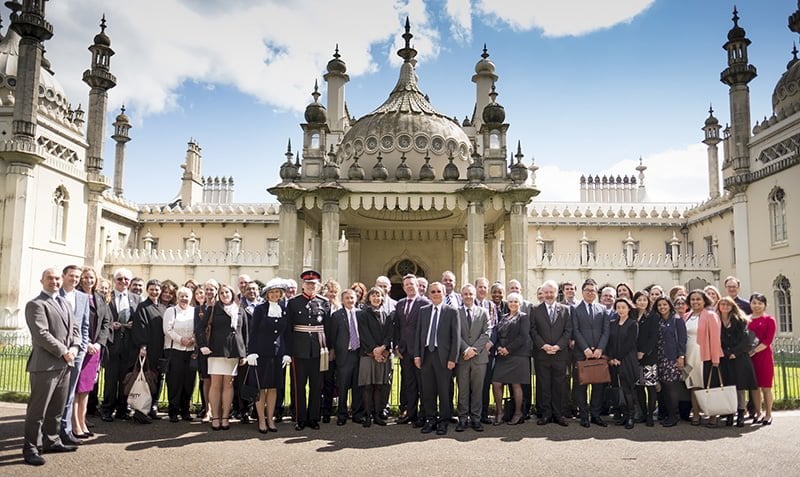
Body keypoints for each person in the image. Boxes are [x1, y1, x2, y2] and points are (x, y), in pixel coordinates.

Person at [22, 268, 81, 466]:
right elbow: (41, 334)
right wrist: (65, 350)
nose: (54, 282)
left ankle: (52, 441)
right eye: (50, 278)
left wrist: (74, 347)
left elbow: (75, 329)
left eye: (57, 278)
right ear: (42, 280)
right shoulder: (35, 305)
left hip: (65, 364)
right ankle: (31, 448)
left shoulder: (64, 302)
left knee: (56, 409)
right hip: (45, 366)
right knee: (37, 411)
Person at [197, 284, 247, 431]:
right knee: (215, 384)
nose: (225, 295)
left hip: (233, 353)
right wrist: (202, 345)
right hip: (216, 351)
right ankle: (215, 417)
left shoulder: (240, 311)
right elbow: (200, 328)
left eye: (227, 292)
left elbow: (244, 333)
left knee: (228, 385)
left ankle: (225, 416)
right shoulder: (212, 309)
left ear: (232, 294)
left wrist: (244, 353)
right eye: (222, 293)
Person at [287, 270, 331, 430]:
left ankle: (313, 418)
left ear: (318, 286)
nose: (311, 286)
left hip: (318, 350)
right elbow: (289, 329)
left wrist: (329, 349)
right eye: (308, 284)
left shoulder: (324, 303)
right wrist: (289, 351)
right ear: (303, 285)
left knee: (316, 385)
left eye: (313, 284)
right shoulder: (293, 303)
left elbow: (328, 328)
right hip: (299, 350)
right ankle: (300, 418)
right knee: (299, 386)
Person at [414, 281, 459, 435]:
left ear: (444, 293)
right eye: (432, 292)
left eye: (438, 291)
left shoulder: (452, 311)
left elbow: (456, 338)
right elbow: (419, 335)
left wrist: (453, 358)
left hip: (444, 357)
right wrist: (417, 355)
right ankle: (430, 418)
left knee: (444, 390)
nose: (435, 294)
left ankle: (443, 421)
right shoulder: (423, 311)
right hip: (427, 355)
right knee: (428, 390)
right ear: (429, 294)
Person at [247, 278, 291, 433]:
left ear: (281, 294)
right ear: (267, 294)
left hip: (277, 354)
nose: (274, 295)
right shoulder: (260, 309)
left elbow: (286, 334)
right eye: (272, 292)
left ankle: (270, 418)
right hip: (261, 354)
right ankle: (261, 420)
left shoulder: (284, 309)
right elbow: (253, 333)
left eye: (277, 292)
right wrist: (251, 352)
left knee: (273, 388)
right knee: (261, 388)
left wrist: (286, 352)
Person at [72, 267, 111, 439]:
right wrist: (85, 342)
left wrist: (98, 343)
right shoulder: (76, 296)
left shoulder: (100, 298)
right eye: (85, 277)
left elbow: (106, 322)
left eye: (92, 278)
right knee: (75, 388)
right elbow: (73, 323)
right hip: (80, 347)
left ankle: (83, 421)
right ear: (80, 279)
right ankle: (74, 425)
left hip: (95, 348)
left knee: (86, 388)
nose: (89, 281)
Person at [100, 268, 141, 422]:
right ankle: (107, 409)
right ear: (114, 280)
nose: (123, 282)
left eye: (126, 279)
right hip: (112, 344)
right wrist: (111, 324)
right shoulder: (106, 297)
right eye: (120, 279)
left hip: (129, 345)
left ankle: (122, 409)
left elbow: (140, 321)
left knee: (125, 379)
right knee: (110, 379)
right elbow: (101, 318)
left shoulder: (136, 299)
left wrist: (133, 325)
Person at [530, 280, 572, 427]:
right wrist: (544, 345)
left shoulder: (566, 310)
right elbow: (533, 331)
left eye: (551, 292)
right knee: (544, 385)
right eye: (546, 292)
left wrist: (558, 346)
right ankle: (546, 414)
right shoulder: (535, 310)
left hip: (560, 355)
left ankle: (558, 414)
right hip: (542, 354)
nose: (548, 295)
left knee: (559, 385)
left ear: (556, 293)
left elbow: (568, 331)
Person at [58, 265, 90, 446]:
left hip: (77, 352)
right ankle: (49, 431)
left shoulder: (83, 297)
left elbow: (84, 326)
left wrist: (81, 348)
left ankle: (66, 430)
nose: (75, 279)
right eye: (71, 276)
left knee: (70, 393)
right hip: (58, 353)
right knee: (55, 394)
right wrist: (62, 350)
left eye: (77, 276)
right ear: (64, 276)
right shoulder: (56, 295)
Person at [572, 279, 610, 428]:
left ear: (596, 292)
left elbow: (606, 331)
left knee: (598, 386)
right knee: (581, 386)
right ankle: (583, 416)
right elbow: (575, 330)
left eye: (593, 290)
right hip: (582, 353)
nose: (590, 292)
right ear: (582, 292)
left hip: (599, 354)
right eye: (587, 290)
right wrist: (586, 349)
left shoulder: (602, 309)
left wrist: (600, 349)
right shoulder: (575, 309)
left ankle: (595, 415)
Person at [683, 289, 723, 426]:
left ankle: (712, 415)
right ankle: (695, 413)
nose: (695, 302)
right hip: (689, 354)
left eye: (698, 299)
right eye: (692, 299)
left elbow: (715, 338)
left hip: (705, 354)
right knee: (693, 384)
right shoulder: (686, 316)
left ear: (704, 300)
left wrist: (715, 358)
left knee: (709, 385)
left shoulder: (710, 315)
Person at [394, 274, 429, 427]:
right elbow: (398, 327)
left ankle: (424, 415)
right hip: (404, 351)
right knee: (409, 384)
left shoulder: (425, 303)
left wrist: (420, 352)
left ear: (417, 286)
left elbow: (425, 330)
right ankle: (411, 414)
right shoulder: (400, 304)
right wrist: (396, 346)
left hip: (419, 352)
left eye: (412, 284)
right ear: (403, 287)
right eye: (406, 284)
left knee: (423, 384)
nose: (409, 286)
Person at [490, 292, 530, 426]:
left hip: (517, 355)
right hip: (502, 355)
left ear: (520, 304)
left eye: (516, 302)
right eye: (511, 301)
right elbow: (497, 334)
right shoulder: (503, 317)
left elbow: (523, 337)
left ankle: (518, 413)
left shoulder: (523, 317)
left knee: (516, 384)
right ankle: (500, 412)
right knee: (496, 383)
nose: (513, 304)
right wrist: (498, 348)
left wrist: (508, 349)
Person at [717, 297, 758, 427]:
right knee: (728, 386)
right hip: (725, 357)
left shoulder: (740, 320)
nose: (725, 306)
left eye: (728, 304)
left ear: (732, 306)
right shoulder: (716, 321)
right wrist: (725, 352)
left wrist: (735, 352)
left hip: (739, 357)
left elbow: (746, 340)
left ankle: (740, 414)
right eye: (722, 304)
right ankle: (730, 413)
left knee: (740, 387)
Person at [455, 284, 490, 432]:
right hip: (462, 357)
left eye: (471, 294)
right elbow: (455, 334)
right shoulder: (455, 312)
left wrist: (474, 349)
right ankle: (462, 418)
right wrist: (466, 349)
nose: (468, 296)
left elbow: (487, 332)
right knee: (462, 389)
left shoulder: (483, 312)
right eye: (465, 294)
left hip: (479, 358)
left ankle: (476, 418)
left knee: (477, 389)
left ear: (475, 295)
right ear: (461, 296)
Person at [328, 288, 365, 426]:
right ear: (342, 300)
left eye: (352, 298)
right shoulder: (337, 316)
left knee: (358, 386)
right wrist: (333, 350)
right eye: (347, 298)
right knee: (343, 386)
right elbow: (332, 335)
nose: (350, 300)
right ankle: (342, 415)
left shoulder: (361, 314)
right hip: (344, 355)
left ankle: (357, 414)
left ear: (356, 299)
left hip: (359, 354)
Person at [132, 279, 167, 422]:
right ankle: (140, 412)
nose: (154, 292)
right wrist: (143, 346)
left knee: (157, 379)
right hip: (148, 349)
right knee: (145, 380)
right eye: (152, 289)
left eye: (157, 289)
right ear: (147, 290)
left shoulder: (163, 307)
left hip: (160, 349)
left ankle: (152, 407)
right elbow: (140, 327)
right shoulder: (143, 306)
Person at [357, 287, 393, 427]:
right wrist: (374, 351)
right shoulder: (362, 314)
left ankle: (377, 415)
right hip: (368, 354)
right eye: (373, 295)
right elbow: (364, 334)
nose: (376, 298)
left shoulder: (386, 314)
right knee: (367, 386)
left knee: (379, 386)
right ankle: (367, 416)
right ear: (369, 298)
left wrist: (383, 348)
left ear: (382, 298)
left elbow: (389, 334)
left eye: (379, 295)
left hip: (382, 355)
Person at [162, 287, 197, 423]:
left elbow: (199, 328)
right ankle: (173, 411)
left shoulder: (194, 311)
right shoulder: (171, 311)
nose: (184, 299)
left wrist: (193, 339)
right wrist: (181, 340)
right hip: (175, 350)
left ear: (191, 298)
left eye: (187, 296)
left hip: (190, 352)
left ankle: (185, 411)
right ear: (177, 297)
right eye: (181, 296)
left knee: (188, 382)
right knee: (174, 382)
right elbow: (167, 329)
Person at [653, 297, 686, 427]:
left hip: (672, 357)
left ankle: (673, 416)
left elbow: (682, 339)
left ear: (669, 305)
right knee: (664, 388)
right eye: (659, 305)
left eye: (664, 304)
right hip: (660, 357)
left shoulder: (676, 320)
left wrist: (681, 356)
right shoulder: (658, 320)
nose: (662, 307)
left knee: (671, 386)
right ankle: (667, 414)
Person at [607, 298, 639, 429]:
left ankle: (631, 416)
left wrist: (619, 357)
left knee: (627, 388)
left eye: (623, 307)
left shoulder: (633, 324)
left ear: (629, 309)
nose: (621, 310)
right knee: (616, 387)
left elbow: (630, 343)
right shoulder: (612, 323)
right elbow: (609, 342)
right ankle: (623, 415)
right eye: (618, 307)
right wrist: (611, 357)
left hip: (627, 359)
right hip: (613, 360)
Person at [748, 293, 776, 425]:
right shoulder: (746, 319)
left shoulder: (769, 320)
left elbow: (768, 340)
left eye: (760, 303)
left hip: (763, 356)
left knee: (766, 387)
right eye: (754, 303)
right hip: (749, 358)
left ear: (765, 305)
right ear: (750, 304)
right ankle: (758, 413)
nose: (757, 306)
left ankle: (768, 414)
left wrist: (754, 351)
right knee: (754, 387)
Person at [633, 291, 658, 426]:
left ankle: (650, 415)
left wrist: (643, 351)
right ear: (635, 301)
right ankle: (642, 413)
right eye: (639, 300)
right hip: (634, 356)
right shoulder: (633, 315)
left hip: (648, 356)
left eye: (644, 300)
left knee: (650, 386)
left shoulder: (652, 317)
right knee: (639, 386)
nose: (642, 302)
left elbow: (653, 337)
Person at [195, 280, 218, 422]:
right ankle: (207, 410)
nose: (209, 292)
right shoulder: (199, 309)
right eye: (207, 289)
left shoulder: (222, 307)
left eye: (212, 289)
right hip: (205, 349)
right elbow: (198, 329)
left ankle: (218, 410)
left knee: (220, 381)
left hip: (219, 349)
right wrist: (202, 346)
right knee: (206, 380)